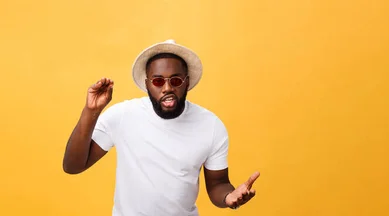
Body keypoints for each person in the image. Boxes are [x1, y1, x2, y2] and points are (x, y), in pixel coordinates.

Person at [62, 39, 259, 216]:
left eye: (175, 80)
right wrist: (91, 111)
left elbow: (218, 184)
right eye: (158, 81)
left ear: (187, 82)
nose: (167, 88)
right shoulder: (122, 116)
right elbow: (73, 166)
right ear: (147, 84)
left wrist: (229, 197)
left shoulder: (211, 125)